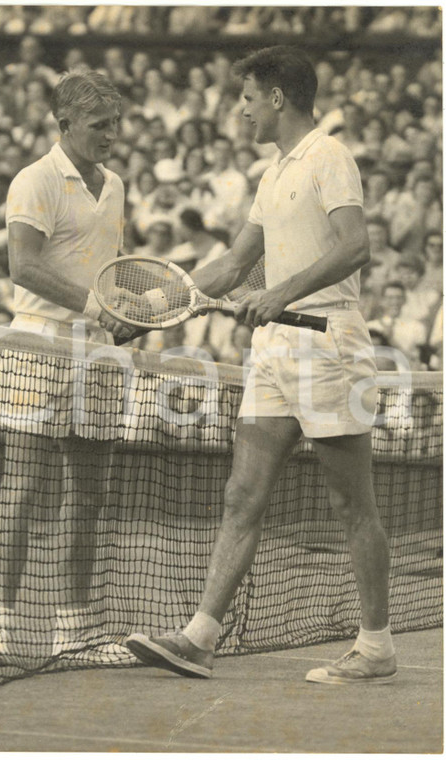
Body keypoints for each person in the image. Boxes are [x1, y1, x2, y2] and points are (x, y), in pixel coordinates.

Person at [112, 46, 396, 685]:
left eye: (246, 97)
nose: (238, 110)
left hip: (330, 342)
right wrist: (156, 308)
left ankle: (376, 645)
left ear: (276, 98)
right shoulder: (271, 174)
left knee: (352, 502)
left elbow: (357, 246)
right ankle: (199, 637)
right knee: (242, 493)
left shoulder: (330, 156)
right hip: (275, 351)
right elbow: (233, 266)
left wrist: (281, 292)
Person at [0, 69, 136, 668]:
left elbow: (105, 266)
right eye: (99, 125)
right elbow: (23, 266)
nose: (111, 134)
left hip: (97, 353)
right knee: (22, 490)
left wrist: (121, 308)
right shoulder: (34, 179)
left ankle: (74, 632)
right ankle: (0, 625)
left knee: (88, 497)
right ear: (64, 124)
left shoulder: (114, 184)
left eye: (115, 123)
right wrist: (95, 305)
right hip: (36, 346)